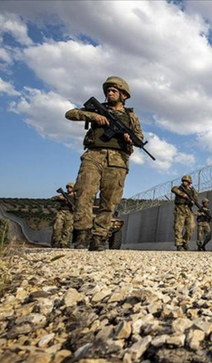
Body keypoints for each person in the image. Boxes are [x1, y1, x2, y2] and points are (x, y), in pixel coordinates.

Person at [65, 76, 144, 251]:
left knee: (109, 201)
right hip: (93, 155)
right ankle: (83, 235)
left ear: (124, 94)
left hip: (118, 159)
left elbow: (139, 137)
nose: (110, 93)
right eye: (108, 90)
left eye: (114, 90)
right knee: (84, 193)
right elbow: (70, 113)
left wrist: (129, 138)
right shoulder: (98, 109)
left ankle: (99, 237)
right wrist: (93, 116)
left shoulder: (131, 116)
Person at [171, 175, 198, 251]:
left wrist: (193, 201)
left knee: (191, 226)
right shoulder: (179, 188)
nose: (184, 182)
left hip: (188, 209)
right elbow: (173, 189)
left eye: (186, 181)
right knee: (179, 227)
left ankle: (184, 242)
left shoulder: (193, 191)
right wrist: (183, 194)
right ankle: (179, 244)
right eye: (183, 181)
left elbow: (195, 199)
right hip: (180, 208)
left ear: (189, 182)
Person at [51, 182, 75, 248]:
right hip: (61, 212)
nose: (69, 189)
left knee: (67, 230)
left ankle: (65, 245)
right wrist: (59, 198)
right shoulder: (64, 195)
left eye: (71, 187)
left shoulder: (76, 197)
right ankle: (56, 244)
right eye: (68, 187)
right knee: (57, 228)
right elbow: (52, 199)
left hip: (70, 213)